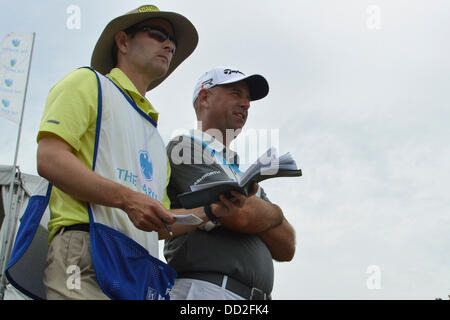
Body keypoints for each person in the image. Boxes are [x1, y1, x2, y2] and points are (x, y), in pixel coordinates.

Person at [35, 5, 201, 299]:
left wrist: (213, 212)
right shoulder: (87, 82)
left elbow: (160, 226)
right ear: (123, 42)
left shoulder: (154, 137)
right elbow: (49, 158)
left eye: (173, 43)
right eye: (158, 34)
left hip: (138, 268)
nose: (169, 45)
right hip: (85, 253)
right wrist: (127, 199)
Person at [164, 67, 297, 300]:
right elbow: (239, 215)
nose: (246, 104)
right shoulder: (185, 148)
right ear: (204, 98)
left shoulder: (244, 172)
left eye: (248, 99)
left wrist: (265, 213)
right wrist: (276, 215)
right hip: (207, 290)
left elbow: (287, 247)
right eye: (236, 93)